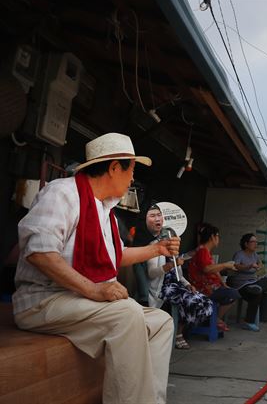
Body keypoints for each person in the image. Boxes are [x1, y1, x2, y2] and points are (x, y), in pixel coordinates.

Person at [12, 133, 179, 404]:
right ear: (114, 168)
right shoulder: (63, 192)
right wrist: (93, 289)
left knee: (161, 322)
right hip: (43, 301)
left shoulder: (106, 212)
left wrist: (156, 249)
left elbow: (114, 257)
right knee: (127, 313)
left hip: (77, 301)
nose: (132, 179)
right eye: (131, 170)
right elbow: (39, 252)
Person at [144, 204, 214, 350]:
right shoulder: (153, 246)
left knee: (205, 303)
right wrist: (169, 266)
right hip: (163, 288)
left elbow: (179, 275)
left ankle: (179, 329)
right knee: (191, 301)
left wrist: (188, 284)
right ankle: (178, 334)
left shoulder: (173, 250)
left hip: (176, 286)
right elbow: (151, 273)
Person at [188, 223, 240, 332]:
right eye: (218, 237)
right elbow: (207, 269)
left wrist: (223, 283)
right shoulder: (202, 250)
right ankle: (214, 319)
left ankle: (213, 318)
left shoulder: (205, 251)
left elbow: (214, 271)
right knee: (233, 294)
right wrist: (225, 265)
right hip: (203, 290)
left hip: (211, 287)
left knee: (231, 292)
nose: (218, 240)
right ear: (213, 236)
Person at [228, 233, 267, 331]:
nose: (256, 244)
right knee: (257, 294)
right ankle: (249, 321)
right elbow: (235, 266)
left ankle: (257, 288)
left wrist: (261, 269)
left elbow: (261, 269)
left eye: (256, 242)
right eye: (253, 242)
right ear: (246, 244)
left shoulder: (255, 255)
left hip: (253, 282)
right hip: (241, 285)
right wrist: (249, 266)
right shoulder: (239, 254)